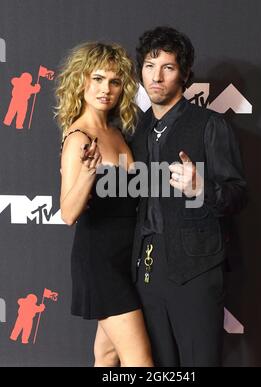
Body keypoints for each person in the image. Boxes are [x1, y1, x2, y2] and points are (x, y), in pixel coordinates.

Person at [130, 26, 247, 367]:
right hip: (146, 270)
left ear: (183, 74)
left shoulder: (210, 125)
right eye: (150, 66)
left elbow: (238, 195)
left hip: (196, 270)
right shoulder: (135, 130)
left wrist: (201, 188)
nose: (157, 76)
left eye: (167, 67)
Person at [55, 42, 153, 367]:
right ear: (81, 81)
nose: (105, 89)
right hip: (99, 262)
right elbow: (68, 213)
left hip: (126, 258)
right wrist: (87, 174)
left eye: (113, 81)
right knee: (140, 363)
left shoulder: (116, 133)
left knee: (107, 355)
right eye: (97, 79)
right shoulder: (78, 138)